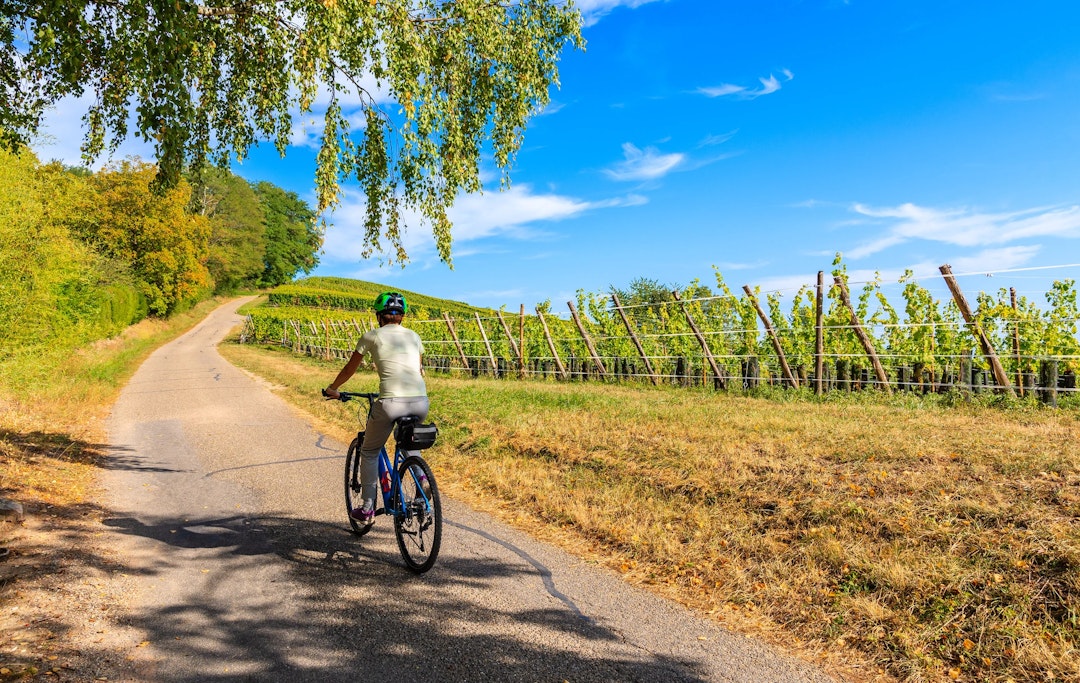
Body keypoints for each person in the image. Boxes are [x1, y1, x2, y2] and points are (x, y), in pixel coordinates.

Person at [324, 292, 428, 526]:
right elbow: (418, 368)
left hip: (391, 402)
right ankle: (422, 479)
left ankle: (367, 508)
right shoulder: (413, 336)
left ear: (379, 316)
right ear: (402, 316)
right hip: (420, 401)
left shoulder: (371, 336)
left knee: (370, 451)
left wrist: (333, 388)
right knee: (409, 444)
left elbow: (349, 369)